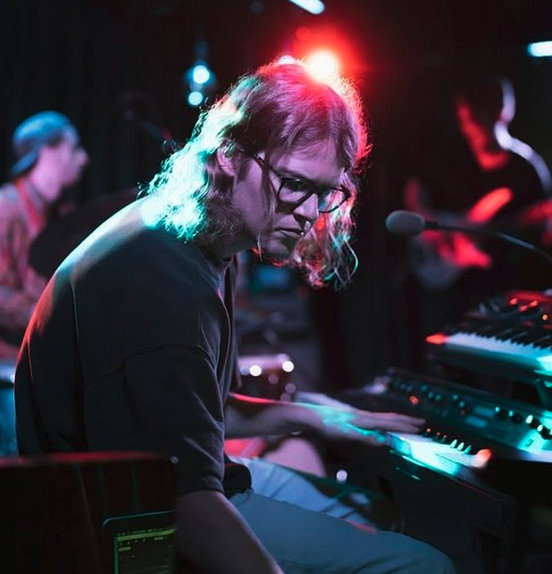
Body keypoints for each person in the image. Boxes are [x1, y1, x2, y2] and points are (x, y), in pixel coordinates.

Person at [15, 62, 455, 573]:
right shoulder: (162, 283)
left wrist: (316, 417)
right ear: (228, 155)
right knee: (424, 565)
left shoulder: (200, 237)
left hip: (175, 485)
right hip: (123, 518)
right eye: (293, 183)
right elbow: (185, 504)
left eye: (325, 192)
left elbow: (192, 411)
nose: (310, 211)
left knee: (374, 512)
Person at [401, 74, 552, 357]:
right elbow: (415, 190)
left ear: (501, 112)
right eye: (466, 119)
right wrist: (432, 229)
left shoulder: (526, 168)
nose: (471, 126)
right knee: (441, 354)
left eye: (477, 117)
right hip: (446, 287)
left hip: (502, 288)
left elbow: (544, 233)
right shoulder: (447, 157)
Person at [0, 111, 89, 359]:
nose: (84, 158)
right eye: (74, 148)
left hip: (42, 352)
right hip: (9, 357)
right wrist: (49, 315)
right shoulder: (5, 209)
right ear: (48, 152)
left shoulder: (61, 214)